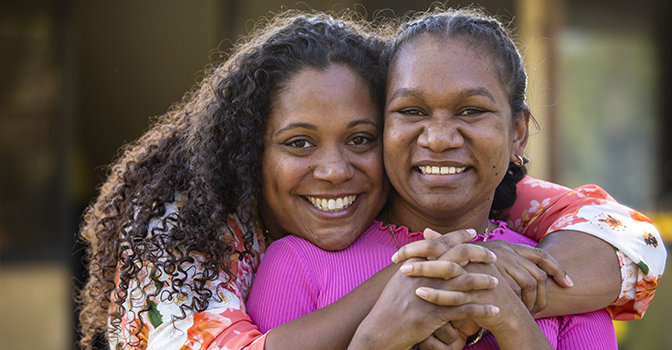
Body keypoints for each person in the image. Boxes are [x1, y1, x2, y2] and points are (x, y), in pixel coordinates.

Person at [76, 8, 665, 350]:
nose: (334, 171)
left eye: (359, 139)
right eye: (298, 143)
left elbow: (628, 241)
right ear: (246, 153)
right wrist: (404, 296)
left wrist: (497, 299)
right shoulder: (195, 241)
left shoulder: (513, 235)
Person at [246, 8, 623, 350]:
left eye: (471, 111)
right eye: (412, 111)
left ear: (518, 133)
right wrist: (376, 340)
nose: (439, 139)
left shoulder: (556, 281)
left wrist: (511, 319)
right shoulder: (296, 265)